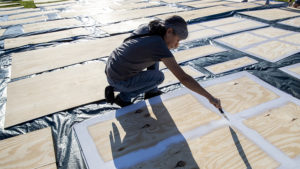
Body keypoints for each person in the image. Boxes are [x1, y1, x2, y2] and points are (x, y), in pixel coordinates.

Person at [104, 15, 221, 109]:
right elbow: (184, 78)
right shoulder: (158, 45)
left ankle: (151, 92)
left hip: (112, 65)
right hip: (118, 78)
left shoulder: (151, 28)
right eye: (177, 40)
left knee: (156, 57)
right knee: (159, 77)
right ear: (169, 31)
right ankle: (123, 98)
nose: (177, 45)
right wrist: (210, 97)